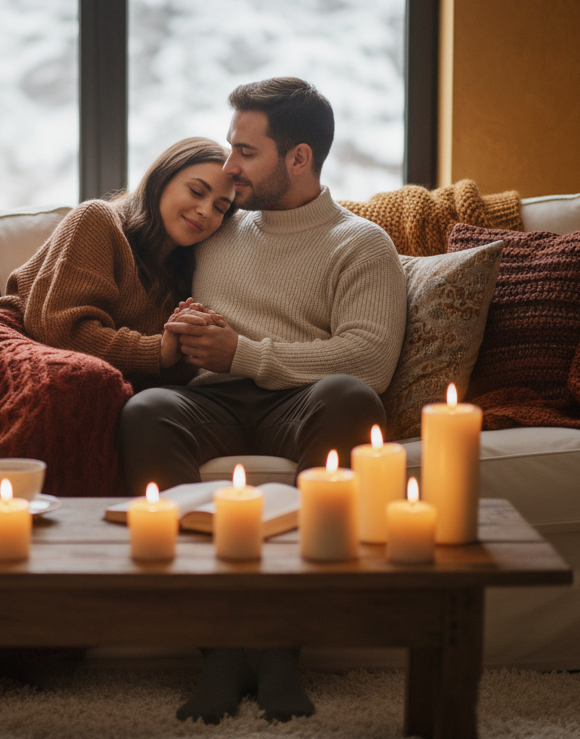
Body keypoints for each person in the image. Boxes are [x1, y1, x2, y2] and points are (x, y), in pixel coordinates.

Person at [120, 78, 408, 724]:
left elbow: (370, 358)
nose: (228, 168)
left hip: (302, 401)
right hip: (208, 403)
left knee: (352, 397)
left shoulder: (360, 243)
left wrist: (246, 355)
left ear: (298, 158)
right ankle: (218, 649)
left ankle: (281, 649)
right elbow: (130, 256)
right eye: (230, 147)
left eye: (246, 152)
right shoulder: (215, 226)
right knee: (146, 411)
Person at [0, 137, 237, 388]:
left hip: (88, 374)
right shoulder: (98, 219)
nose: (205, 211)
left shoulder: (190, 271)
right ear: (162, 178)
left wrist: (193, 342)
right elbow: (60, 330)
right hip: (9, 342)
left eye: (220, 208)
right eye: (196, 191)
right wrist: (158, 351)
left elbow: (160, 375)